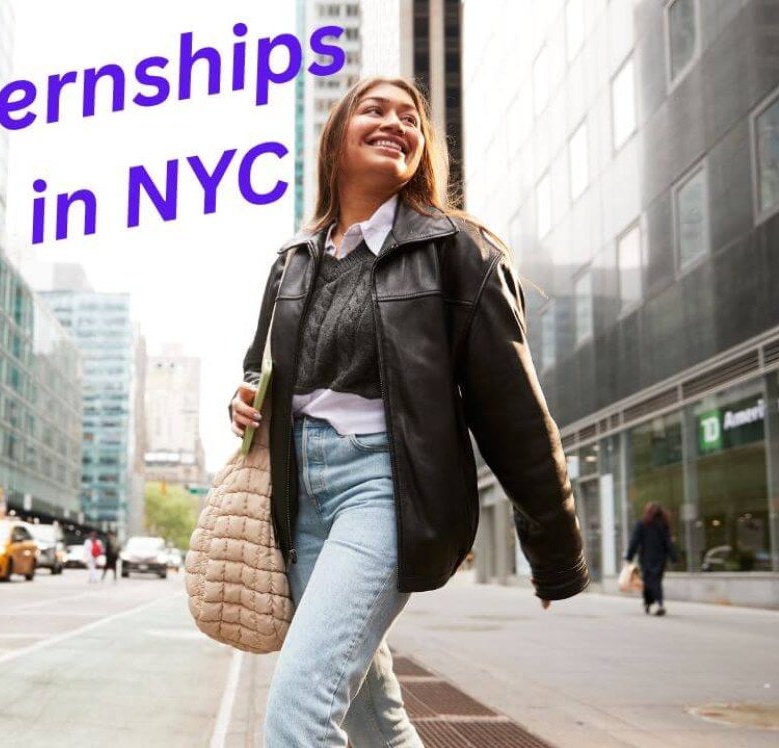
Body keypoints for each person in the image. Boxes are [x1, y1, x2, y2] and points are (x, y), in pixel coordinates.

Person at [228, 76, 588, 747]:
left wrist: (556, 555)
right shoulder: (292, 263)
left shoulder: (457, 252)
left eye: (410, 118)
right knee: (372, 715)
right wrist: (245, 397)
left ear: (422, 150)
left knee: (297, 714)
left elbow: (515, 419)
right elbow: (261, 369)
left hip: (385, 488)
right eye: (374, 110)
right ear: (336, 140)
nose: (396, 122)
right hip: (300, 496)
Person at [624, 502, 678, 616]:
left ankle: (654, 603)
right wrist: (673, 557)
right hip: (660, 558)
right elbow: (668, 543)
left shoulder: (642, 524)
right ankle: (655, 603)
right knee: (656, 581)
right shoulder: (663, 525)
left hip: (646, 558)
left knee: (649, 581)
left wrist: (629, 556)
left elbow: (634, 542)